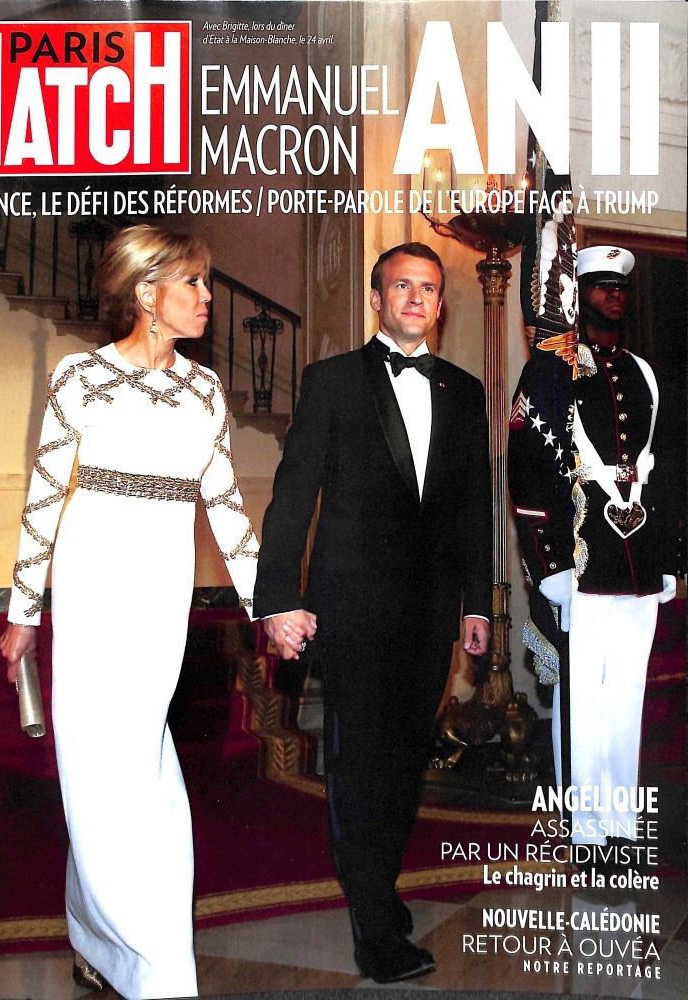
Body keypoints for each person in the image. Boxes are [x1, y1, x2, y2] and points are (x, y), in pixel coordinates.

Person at [0, 226, 295, 1000]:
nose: (207, 296)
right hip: (93, 579)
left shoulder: (205, 391)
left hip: (162, 587)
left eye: (205, 282)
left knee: (134, 759)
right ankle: (153, 967)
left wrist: (269, 606)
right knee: (101, 763)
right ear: (145, 293)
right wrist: (23, 610)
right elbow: (43, 499)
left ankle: (96, 934)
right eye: (192, 282)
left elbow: (226, 509)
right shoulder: (78, 377)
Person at [254, 242, 492, 983]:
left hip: (430, 613)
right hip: (351, 609)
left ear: (440, 304)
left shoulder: (464, 390)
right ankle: (375, 929)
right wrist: (278, 597)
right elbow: (293, 496)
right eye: (402, 286)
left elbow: (473, 508)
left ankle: (377, 892)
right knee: (359, 765)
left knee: (405, 764)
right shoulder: (331, 382)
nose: (417, 298)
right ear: (376, 298)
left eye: (429, 288)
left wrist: (478, 604)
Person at [508, 244, 681, 846]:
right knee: (582, 697)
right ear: (578, 295)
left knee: (627, 694)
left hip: (637, 559)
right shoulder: (550, 373)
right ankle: (585, 831)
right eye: (602, 285)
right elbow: (528, 470)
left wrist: (669, 558)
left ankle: (621, 823)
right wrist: (549, 564)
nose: (614, 295)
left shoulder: (644, 373)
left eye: (621, 286)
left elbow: (664, 470)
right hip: (582, 558)